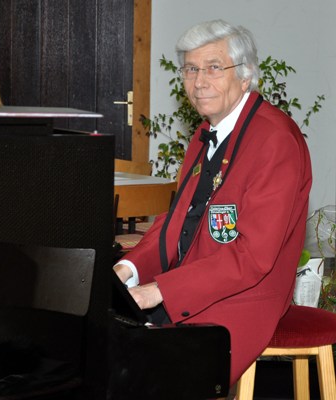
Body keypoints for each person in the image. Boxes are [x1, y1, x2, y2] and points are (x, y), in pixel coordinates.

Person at [114, 19, 312, 389]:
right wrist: (127, 269)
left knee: (143, 378)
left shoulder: (275, 140)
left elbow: (254, 257)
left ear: (246, 75)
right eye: (191, 69)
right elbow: (175, 221)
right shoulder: (205, 134)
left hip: (242, 298)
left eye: (214, 67)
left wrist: (159, 290)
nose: (199, 81)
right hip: (187, 284)